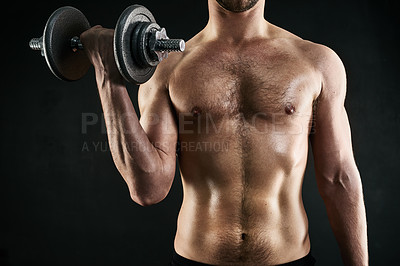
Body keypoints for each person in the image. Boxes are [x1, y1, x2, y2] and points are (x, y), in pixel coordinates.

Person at [80, 0, 368, 265]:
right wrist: (109, 78)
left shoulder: (316, 63)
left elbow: (339, 178)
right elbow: (148, 188)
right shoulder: (169, 70)